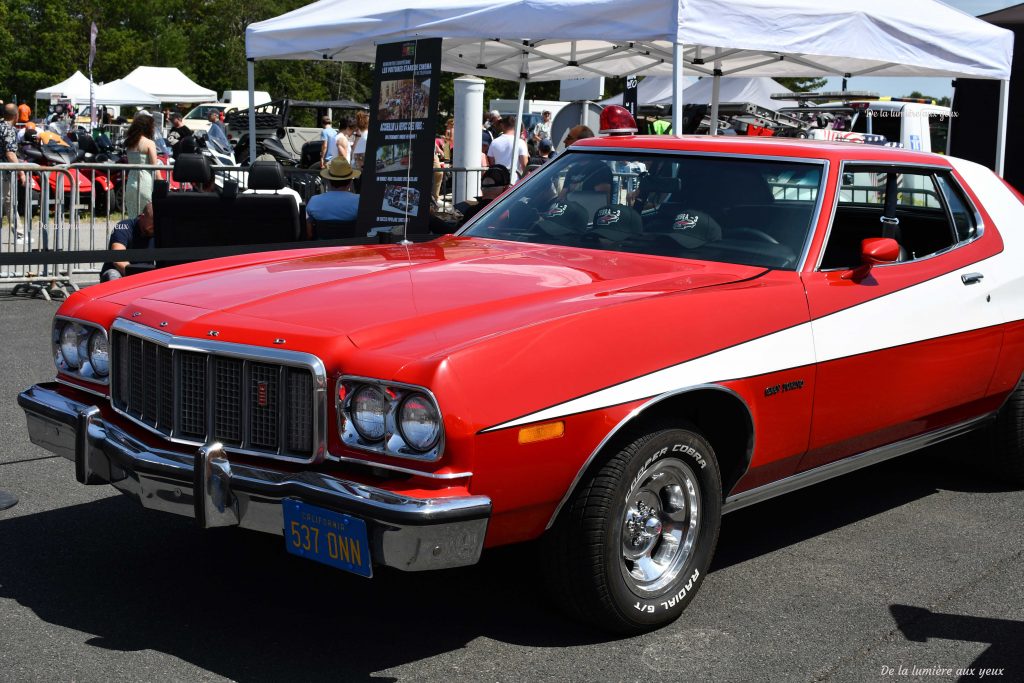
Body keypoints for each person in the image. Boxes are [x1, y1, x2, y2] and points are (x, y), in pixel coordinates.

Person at [306, 156, 361, 238]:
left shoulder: (314, 201)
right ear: (350, 182)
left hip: (323, 247)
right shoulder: (360, 201)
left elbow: (309, 234)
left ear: (328, 181)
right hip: (351, 247)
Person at [100, 202, 155, 281]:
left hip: (145, 275)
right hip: (121, 273)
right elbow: (118, 259)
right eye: (152, 223)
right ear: (142, 217)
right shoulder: (124, 227)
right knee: (113, 275)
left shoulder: (158, 231)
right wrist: (137, 277)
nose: (155, 227)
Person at [123, 113, 159, 219]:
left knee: (133, 216)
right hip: (145, 182)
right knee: (147, 217)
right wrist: (163, 184)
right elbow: (155, 168)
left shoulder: (130, 143)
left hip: (131, 183)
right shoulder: (149, 143)